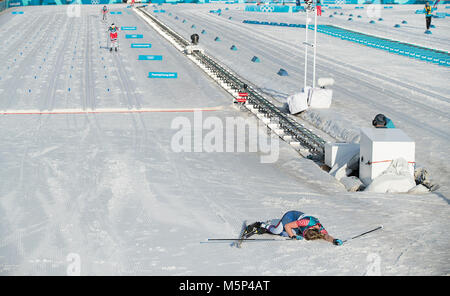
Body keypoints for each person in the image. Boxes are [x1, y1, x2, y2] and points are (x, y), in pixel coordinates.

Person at [246, 210, 343, 246]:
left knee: (284, 234)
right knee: (278, 230)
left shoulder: (320, 229)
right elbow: (288, 225)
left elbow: (326, 236)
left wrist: (334, 240)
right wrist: (292, 236)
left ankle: (270, 228)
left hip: (297, 225)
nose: (303, 235)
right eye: (304, 233)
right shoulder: (306, 222)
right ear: (309, 228)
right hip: (291, 216)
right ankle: (261, 225)